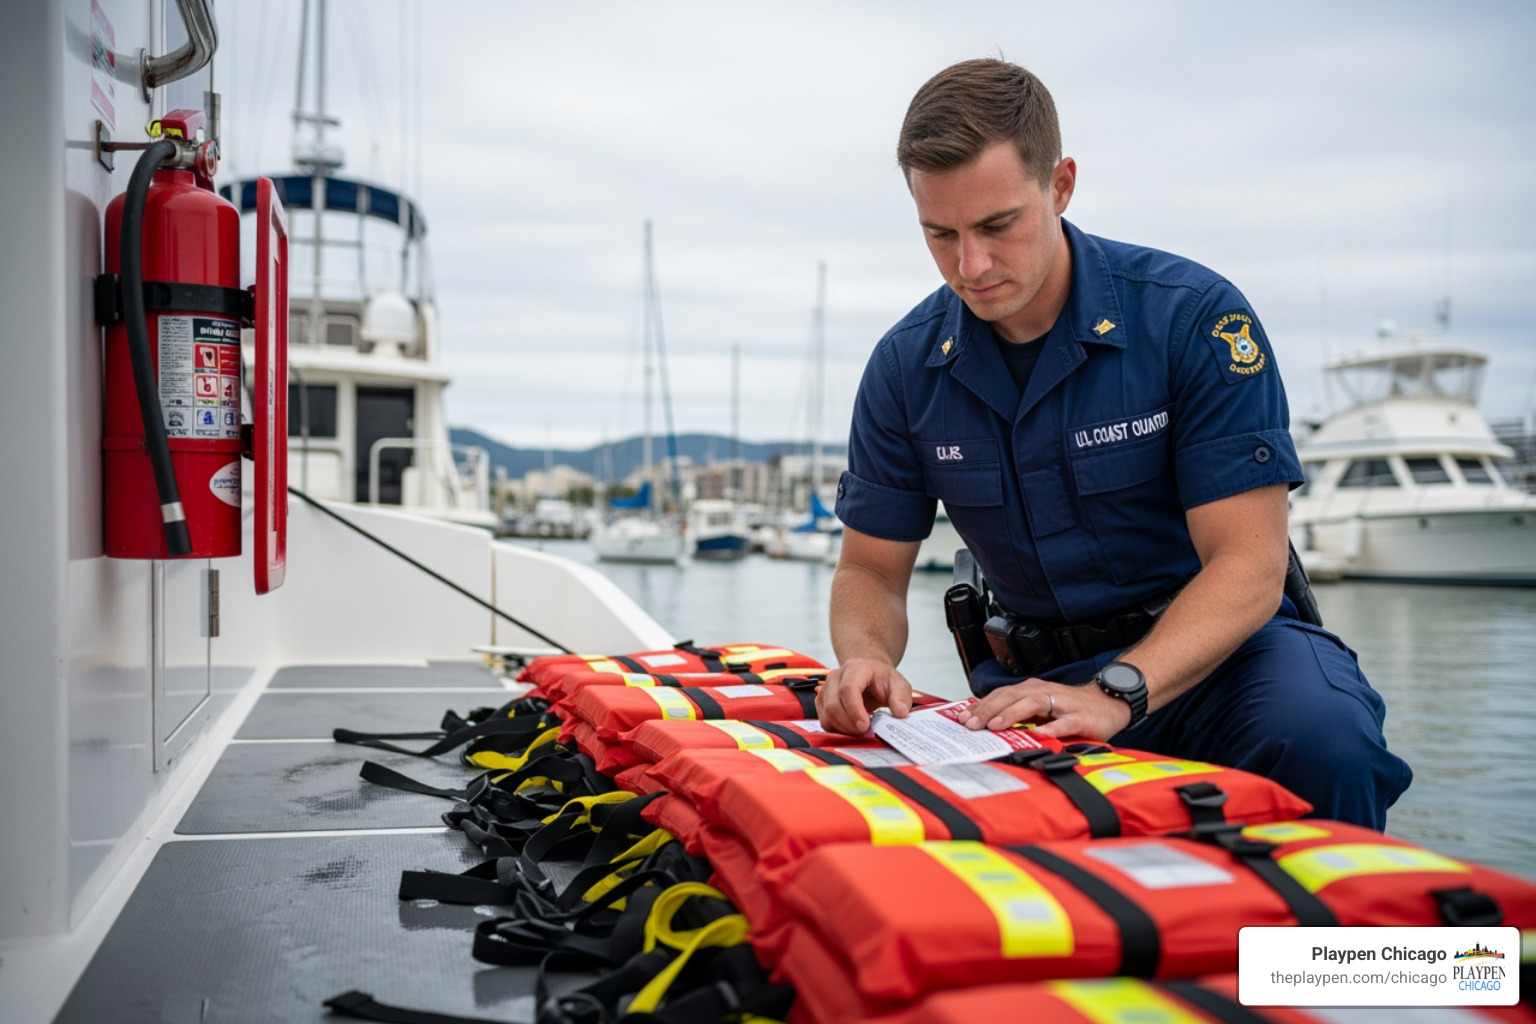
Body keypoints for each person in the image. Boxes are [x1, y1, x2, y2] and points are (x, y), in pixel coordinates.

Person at [816, 58, 1411, 829]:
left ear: (1060, 185)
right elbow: (869, 567)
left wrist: (1116, 693)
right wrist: (865, 657)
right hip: (1034, 681)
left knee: (1325, 745)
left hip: (1232, 665)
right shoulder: (905, 368)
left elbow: (1250, 565)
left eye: (998, 225)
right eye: (941, 234)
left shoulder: (1194, 320)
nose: (972, 266)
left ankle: (1322, 956)